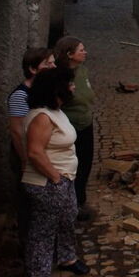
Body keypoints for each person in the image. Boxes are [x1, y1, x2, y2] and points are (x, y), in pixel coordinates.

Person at [22, 67, 90, 277]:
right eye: (69, 84)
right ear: (56, 89)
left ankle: (67, 258)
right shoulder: (41, 117)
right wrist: (54, 177)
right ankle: (38, 276)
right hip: (46, 182)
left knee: (67, 218)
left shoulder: (55, 110)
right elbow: (34, 152)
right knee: (44, 229)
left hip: (63, 179)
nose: (73, 87)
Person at [7, 48, 56, 248]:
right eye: (48, 64)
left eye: (53, 63)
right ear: (33, 69)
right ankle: (29, 246)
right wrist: (26, 161)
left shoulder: (42, 91)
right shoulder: (20, 95)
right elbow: (17, 132)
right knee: (29, 203)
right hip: (29, 156)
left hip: (42, 155)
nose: (53, 66)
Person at [53, 36, 95, 220]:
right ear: (69, 54)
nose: (85, 52)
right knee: (70, 166)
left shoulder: (82, 70)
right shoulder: (59, 76)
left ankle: (80, 200)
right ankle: (70, 204)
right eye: (81, 50)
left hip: (86, 123)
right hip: (69, 127)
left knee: (85, 163)